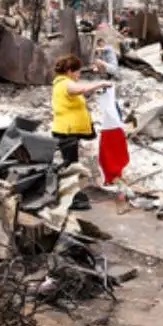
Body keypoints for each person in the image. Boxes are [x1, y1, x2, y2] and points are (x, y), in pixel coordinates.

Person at [51, 54, 111, 210]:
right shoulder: (64, 84)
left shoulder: (66, 85)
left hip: (71, 131)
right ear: (70, 71)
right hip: (66, 132)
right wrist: (100, 83)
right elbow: (81, 89)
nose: (79, 75)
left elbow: (79, 96)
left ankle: (72, 194)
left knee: (72, 164)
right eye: (77, 72)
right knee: (70, 166)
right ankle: (70, 198)